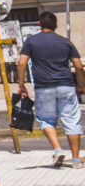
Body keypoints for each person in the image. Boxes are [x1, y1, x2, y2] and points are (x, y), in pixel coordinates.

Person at [19, 12, 82, 169]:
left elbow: (21, 63)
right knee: (72, 120)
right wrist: (81, 85)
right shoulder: (65, 42)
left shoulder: (31, 41)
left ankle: (58, 149)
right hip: (66, 86)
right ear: (56, 25)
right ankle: (76, 160)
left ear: (39, 24)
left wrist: (21, 85)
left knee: (46, 120)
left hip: (43, 87)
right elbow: (78, 65)